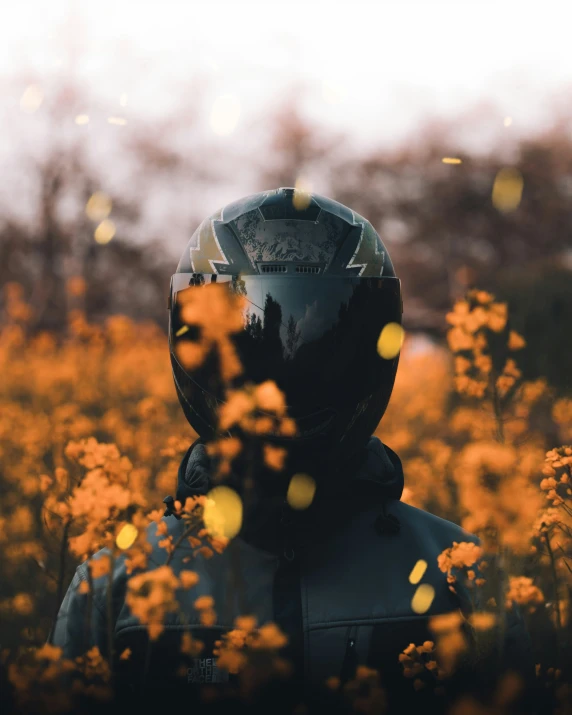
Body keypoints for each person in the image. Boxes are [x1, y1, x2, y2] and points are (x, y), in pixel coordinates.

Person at [52, 188, 534, 713]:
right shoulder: (115, 593)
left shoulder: (464, 582)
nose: (280, 392)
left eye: (320, 349)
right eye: (252, 351)